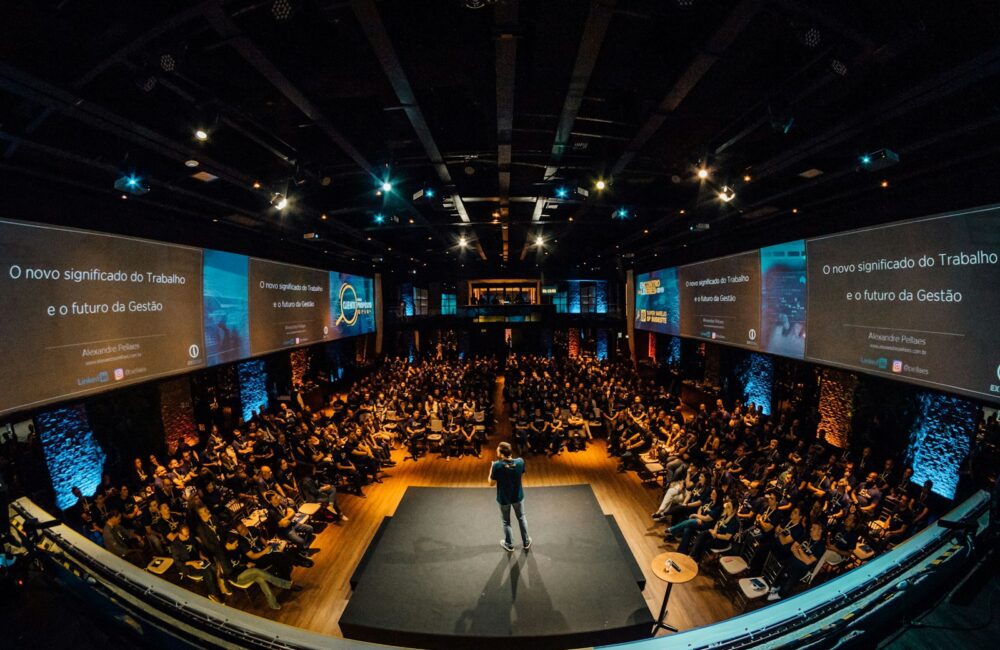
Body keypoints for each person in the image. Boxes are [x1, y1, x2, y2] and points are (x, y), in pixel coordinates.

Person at [488, 442, 531, 552]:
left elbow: (491, 483)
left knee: (506, 522)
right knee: (521, 518)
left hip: (504, 498)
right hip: (518, 496)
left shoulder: (497, 465)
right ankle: (526, 542)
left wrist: (491, 469)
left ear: (502, 454)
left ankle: (509, 544)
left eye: (497, 450)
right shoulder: (520, 462)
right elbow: (521, 475)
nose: (496, 451)